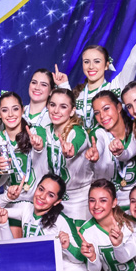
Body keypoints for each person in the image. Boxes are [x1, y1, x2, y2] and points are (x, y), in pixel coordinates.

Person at [2, 174, 100, 271]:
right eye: (41, 189)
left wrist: (67, 247)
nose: (42, 196)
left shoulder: (61, 221)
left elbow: (81, 258)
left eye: (50, 195)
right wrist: (7, 197)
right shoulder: (26, 209)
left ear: (57, 201)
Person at [72, 1, 136, 130]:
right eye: (86, 62)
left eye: (97, 61)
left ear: (107, 65)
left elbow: (133, 60)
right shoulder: (76, 94)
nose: (91, 66)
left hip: (115, 149)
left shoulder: (117, 86)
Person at [31, 89, 91, 220]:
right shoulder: (44, 131)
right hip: (52, 198)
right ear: (47, 106)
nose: (56, 111)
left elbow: (77, 142)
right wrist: (38, 148)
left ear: (72, 110)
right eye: (52, 105)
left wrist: (71, 150)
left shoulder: (78, 132)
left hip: (77, 199)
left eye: (63, 107)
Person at [86, 90, 136, 207]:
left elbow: (129, 152)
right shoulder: (98, 133)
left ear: (118, 107)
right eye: (97, 113)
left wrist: (120, 152)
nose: (102, 116)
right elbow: (99, 143)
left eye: (106, 108)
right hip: (109, 204)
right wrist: (95, 153)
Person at [0, 92, 36, 211]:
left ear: (22, 110)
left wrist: (39, 146)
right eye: (5, 110)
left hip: (39, 201)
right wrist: (1, 171)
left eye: (15, 109)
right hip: (12, 203)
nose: (11, 114)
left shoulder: (36, 132)